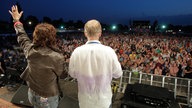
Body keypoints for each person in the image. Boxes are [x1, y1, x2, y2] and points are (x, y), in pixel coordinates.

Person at [9, 5, 64, 108]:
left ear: (35, 36)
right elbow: (62, 74)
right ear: (52, 37)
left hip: (32, 92)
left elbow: (22, 36)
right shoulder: (57, 57)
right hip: (48, 97)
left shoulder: (30, 50)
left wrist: (16, 20)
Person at [69, 19, 123, 108]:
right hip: (104, 101)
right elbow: (118, 74)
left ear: (85, 33)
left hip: (85, 101)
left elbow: (72, 74)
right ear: (100, 33)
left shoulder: (77, 52)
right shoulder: (109, 51)